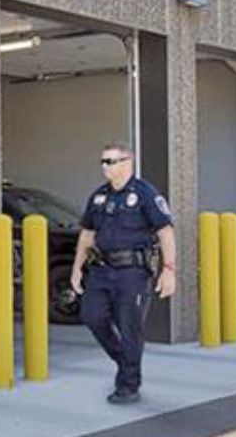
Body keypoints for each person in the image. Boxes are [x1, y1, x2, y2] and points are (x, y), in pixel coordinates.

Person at [70, 142, 177, 404]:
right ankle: (126, 360)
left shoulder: (145, 194)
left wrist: (169, 270)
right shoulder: (98, 196)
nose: (105, 166)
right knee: (92, 316)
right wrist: (76, 269)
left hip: (133, 272)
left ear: (127, 162)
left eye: (111, 161)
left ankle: (128, 385)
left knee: (130, 328)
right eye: (103, 161)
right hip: (101, 270)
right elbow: (87, 234)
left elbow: (165, 232)